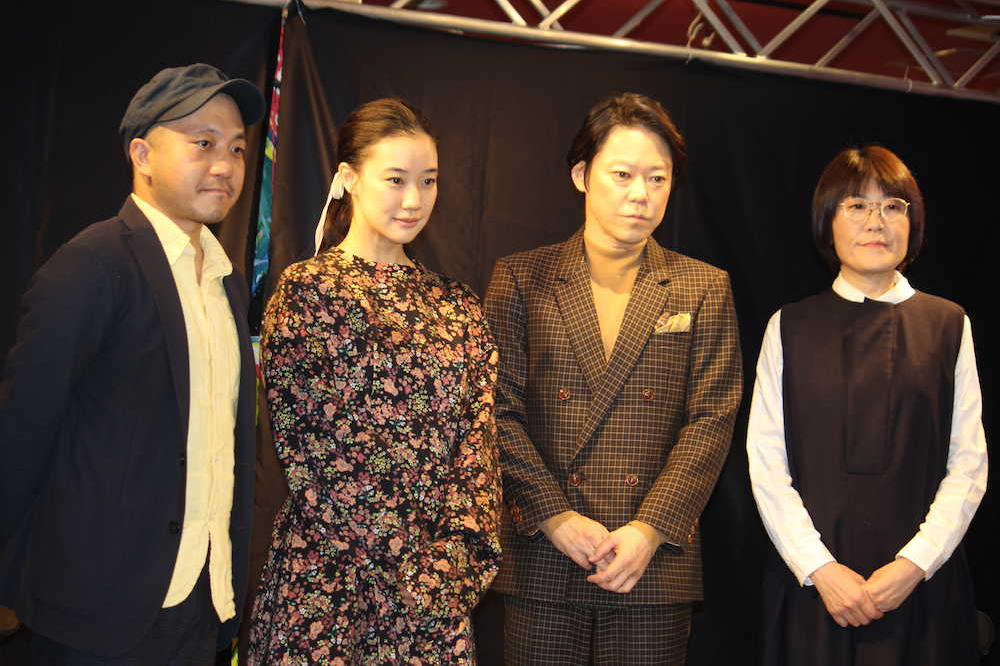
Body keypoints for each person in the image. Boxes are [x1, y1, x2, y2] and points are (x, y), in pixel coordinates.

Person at [0, 63, 265, 663]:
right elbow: (21, 430)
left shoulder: (225, 281)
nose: (225, 165)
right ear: (142, 155)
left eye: (236, 148)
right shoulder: (93, 264)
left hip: (202, 604)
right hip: (96, 612)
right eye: (202, 144)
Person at [484, 92, 743, 665]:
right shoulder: (522, 278)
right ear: (582, 175)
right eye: (622, 174)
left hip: (652, 562)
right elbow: (496, 411)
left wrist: (650, 528)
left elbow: (712, 419)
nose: (640, 193)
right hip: (545, 555)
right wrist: (555, 517)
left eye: (657, 178)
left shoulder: (703, 286)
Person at [246, 98, 502, 664]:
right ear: (349, 178)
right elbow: (313, 450)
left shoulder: (458, 305)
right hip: (327, 581)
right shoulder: (307, 291)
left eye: (428, 181)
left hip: (435, 593)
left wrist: (453, 564)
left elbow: (478, 446)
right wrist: (405, 567)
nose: (414, 199)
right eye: (395, 179)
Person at [747, 145, 988, 665]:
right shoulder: (788, 327)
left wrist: (914, 565)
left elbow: (968, 464)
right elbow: (766, 463)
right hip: (814, 590)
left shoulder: (949, 324)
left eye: (893, 206)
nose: (876, 221)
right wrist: (820, 569)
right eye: (857, 205)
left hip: (923, 589)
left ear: (912, 222)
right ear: (827, 221)